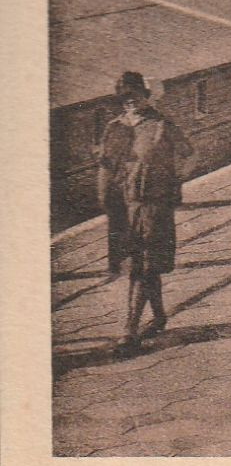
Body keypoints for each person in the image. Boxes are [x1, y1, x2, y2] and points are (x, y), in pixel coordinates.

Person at [97, 72, 192, 357]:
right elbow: (105, 165)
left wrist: (175, 180)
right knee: (141, 265)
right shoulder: (114, 128)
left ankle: (129, 331)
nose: (130, 103)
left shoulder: (162, 126)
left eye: (135, 97)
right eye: (125, 99)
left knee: (142, 267)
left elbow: (189, 153)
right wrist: (103, 198)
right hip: (122, 207)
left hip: (153, 205)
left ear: (145, 95)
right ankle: (159, 317)